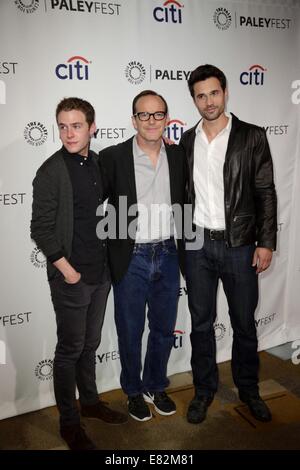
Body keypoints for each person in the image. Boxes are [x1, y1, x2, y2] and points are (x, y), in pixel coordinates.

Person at [180, 64, 277, 424]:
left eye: (214, 93)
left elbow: (265, 191)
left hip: (239, 246)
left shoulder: (252, 136)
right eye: (201, 95)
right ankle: (203, 391)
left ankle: (249, 390)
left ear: (225, 92)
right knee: (201, 324)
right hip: (198, 246)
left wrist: (265, 242)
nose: (208, 101)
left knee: (244, 324)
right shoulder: (188, 141)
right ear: (194, 99)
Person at [30, 97, 127, 451]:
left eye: (76, 125)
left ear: (92, 127)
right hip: (72, 278)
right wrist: (68, 272)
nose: (69, 133)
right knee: (70, 350)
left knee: (90, 345)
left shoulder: (99, 163)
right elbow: (40, 229)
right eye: (62, 126)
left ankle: (89, 403)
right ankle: (69, 424)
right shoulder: (51, 171)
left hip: (100, 275)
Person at [99, 90, 186, 421]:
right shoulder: (113, 157)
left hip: (168, 252)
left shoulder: (178, 157)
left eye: (158, 114)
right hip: (131, 256)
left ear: (166, 118)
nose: (151, 121)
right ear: (133, 119)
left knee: (164, 328)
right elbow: (94, 204)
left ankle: (154, 385)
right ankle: (133, 391)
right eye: (144, 115)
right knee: (130, 329)